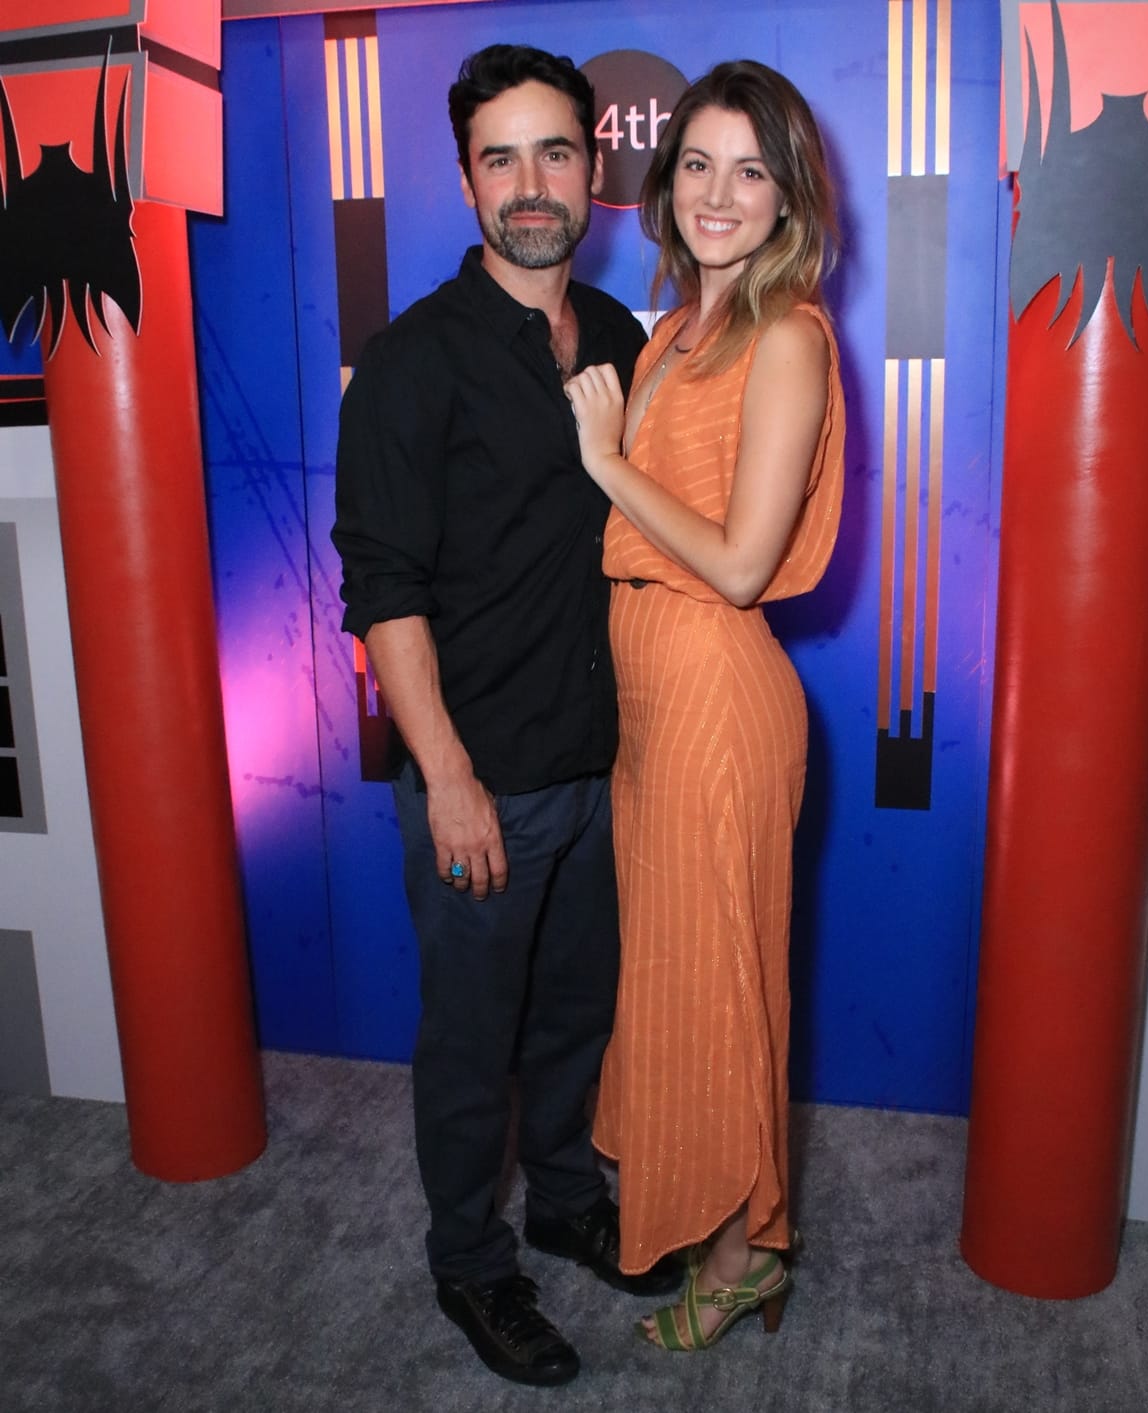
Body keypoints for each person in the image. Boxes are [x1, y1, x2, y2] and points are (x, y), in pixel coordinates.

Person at [331, 44, 678, 1389]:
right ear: (465, 174)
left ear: (596, 168)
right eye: (500, 156)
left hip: (602, 760)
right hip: (484, 774)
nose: (530, 185)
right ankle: (472, 1266)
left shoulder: (626, 338)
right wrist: (450, 776)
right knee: (473, 1044)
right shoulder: (415, 361)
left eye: (554, 154)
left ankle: (565, 1198)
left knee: (574, 1018)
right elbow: (385, 592)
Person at [564, 59, 845, 1353]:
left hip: (720, 695)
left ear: (789, 198)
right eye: (695, 164)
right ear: (664, 186)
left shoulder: (788, 335)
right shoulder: (672, 330)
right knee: (685, 981)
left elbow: (740, 561)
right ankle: (745, 1243)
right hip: (650, 696)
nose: (718, 193)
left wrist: (610, 463)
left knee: (723, 990)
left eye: (749, 169)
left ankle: (738, 1258)